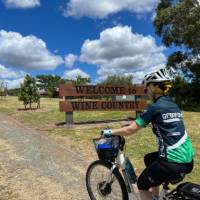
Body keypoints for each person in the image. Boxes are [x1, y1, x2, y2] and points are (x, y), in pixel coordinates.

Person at [102, 68, 195, 200]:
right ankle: (155, 196)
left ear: (154, 87)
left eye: (146, 89)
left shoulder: (153, 108)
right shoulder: (173, 105)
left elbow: (130, 130)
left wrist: (110, 131)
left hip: (171, 162)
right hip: (187, 160)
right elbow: (167, 123)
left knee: (142, 184)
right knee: (149, 159)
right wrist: (152, 124)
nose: (146, 93)